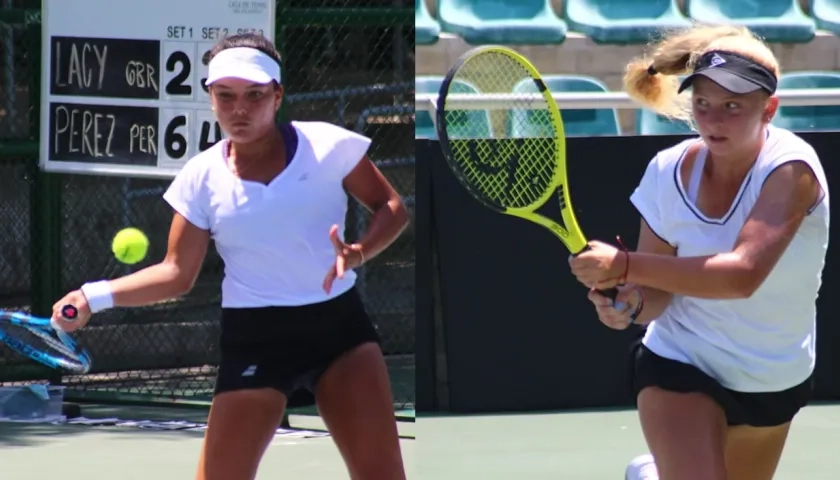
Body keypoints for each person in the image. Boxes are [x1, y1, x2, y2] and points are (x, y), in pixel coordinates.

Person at [51, 33, 409, 480]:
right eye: (226, 96)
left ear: (278, 96)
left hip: (340, 334)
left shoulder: (329, 147)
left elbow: (392, 207)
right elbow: (177, 273)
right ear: (211, 98)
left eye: (255, 95)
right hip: (255, 339)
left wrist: (358, 253)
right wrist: (92, 296)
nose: (240, 109)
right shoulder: (200, 178)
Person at [569, 25, 829, 480]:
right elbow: (655, 297)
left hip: (773, 377)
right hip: (680, 361)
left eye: (733, 106)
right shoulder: (667, 171)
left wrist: (625, 264)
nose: (713, 120)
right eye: (703, 105)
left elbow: (742, 276)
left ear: (769, 108)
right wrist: (629, 302)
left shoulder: (792, 169)